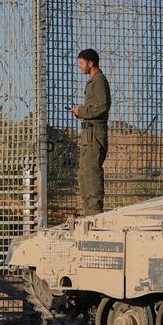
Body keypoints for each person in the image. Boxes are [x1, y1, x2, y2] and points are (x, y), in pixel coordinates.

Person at [68, 48, 110, 215]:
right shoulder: (93, 81)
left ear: (90, 63)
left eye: (81, 63)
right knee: (84, 173)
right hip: (88, 135)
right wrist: (81, 112)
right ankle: (89, 213)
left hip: (94, 136)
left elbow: (102, 106)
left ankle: (94, 215)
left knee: (91, 173)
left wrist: (82, 111)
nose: (79, 67)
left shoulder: (99, 81)